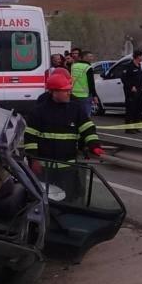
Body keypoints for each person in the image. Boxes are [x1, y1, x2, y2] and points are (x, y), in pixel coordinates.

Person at [23, 68, 102, 197]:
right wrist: (33, 160)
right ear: (54, 92)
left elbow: (87, 127)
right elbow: (30, 138)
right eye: (65, 90)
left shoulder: (75, 108)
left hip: (68, 168)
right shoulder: (38, 112)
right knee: (45, 199)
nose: (68, 93)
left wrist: (94, 144)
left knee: (69, 198)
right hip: (45, 169)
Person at [122, 50, 142, 133]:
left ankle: (136, 126)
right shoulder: (129, 66)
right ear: (137, 56)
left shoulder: (139, 65)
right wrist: (131, 86)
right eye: (141, 56)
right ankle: (128, 128)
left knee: (138, 109)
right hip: (130, 92)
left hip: (139, 91)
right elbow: (124, 78)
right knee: (130, 109)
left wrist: (141, 86)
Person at [69, 50, 96, 116]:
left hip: (73, 94)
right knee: (85, 115)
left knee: (75, 114)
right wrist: (94, 95)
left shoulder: (73, 66)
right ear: (84, 57)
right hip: (85, 95)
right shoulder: (88, 67)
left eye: (92, 56)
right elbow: (91, 83)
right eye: (89, 56)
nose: (92, 58)